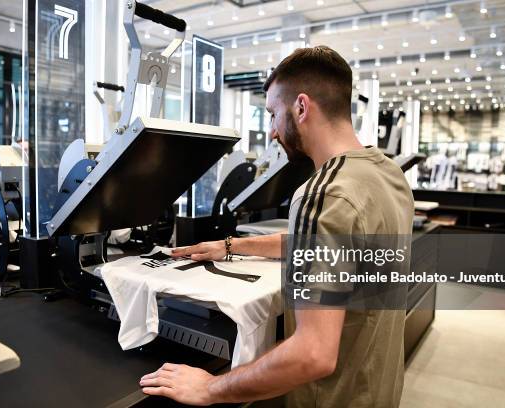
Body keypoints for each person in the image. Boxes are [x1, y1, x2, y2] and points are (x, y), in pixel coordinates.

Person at [139, 45, 414, 407]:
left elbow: (312, 353)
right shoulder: (387, 174)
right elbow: (334, 248)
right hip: (378, 389)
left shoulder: (325, 192)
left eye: (272, 114)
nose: (271, 131)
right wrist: (231, 246)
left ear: (301, 107)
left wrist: (210, 388)